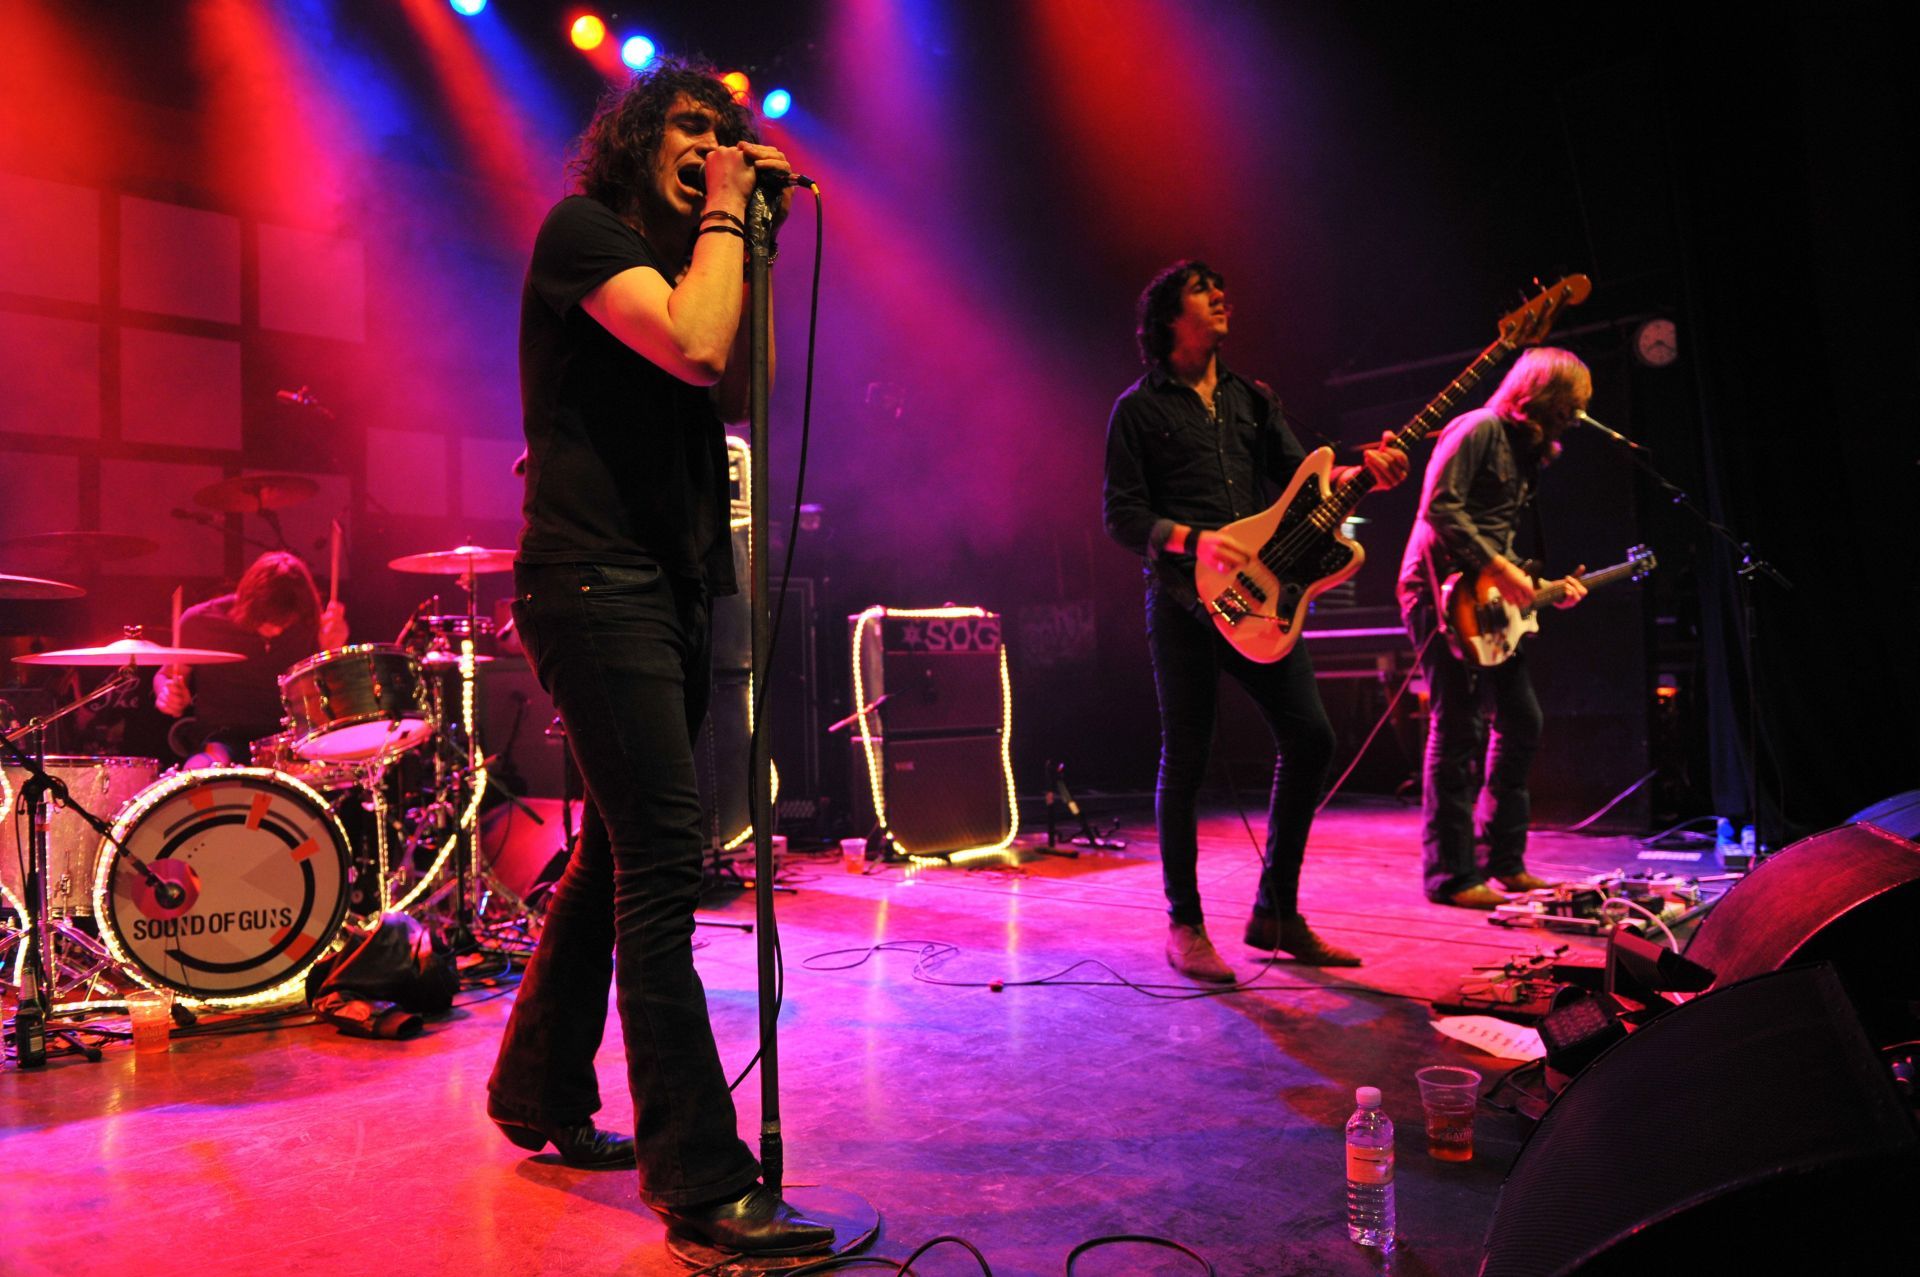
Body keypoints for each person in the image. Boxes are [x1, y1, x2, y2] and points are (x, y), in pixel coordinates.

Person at [483, 60, 831, 1258]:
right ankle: (698, 1171)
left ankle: (535, 1087)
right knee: (664, 863)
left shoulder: (702, 263)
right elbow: (690, 345)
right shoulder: (582, 233)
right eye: (688, 127)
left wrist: (748, 237)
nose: (711, 143)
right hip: (593, 584)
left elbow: (734, 370)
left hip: (671, 586)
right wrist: (734, 205)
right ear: (634, 142)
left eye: (725, 131)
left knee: (617, 851)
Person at [1103, 261, 1409, 982]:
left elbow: (1308, 482)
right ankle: (1185, 922)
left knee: (1310, 736)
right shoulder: (1138, 409)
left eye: (1220, 287)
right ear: (1170, 316)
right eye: (1203, 290)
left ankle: (1275, 911)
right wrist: (1194, 539)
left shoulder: (1252, 398)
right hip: (1184, 602)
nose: (1221, 294)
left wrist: (1365, 472)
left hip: (1264, 601)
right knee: (1187, 758)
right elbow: (1121, 515)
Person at [1396, 347, 1590, 909]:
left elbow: (1497, 539)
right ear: (1545, 393)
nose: (1578, 413)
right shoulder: (1478, 427)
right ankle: (1450, 877)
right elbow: (1440, 509)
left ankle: (1504, 862)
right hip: (1436, 593)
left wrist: (1540, 590)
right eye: (1573, 401)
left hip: (1483, 598)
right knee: (1457, 729)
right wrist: (1501, 569)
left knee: (1520, 720)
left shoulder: (1525, 453)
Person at [153, 551, 347, 764]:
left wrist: (334, 649)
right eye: (267, 621)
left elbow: (335, 698)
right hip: (222, 738)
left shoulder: (313, 624)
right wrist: (167, 693)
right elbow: (166, 675)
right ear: (247, 603)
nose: (276, 630)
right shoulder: (200, 621)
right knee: (199, 771)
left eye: (285, 623)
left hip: (292, 740)